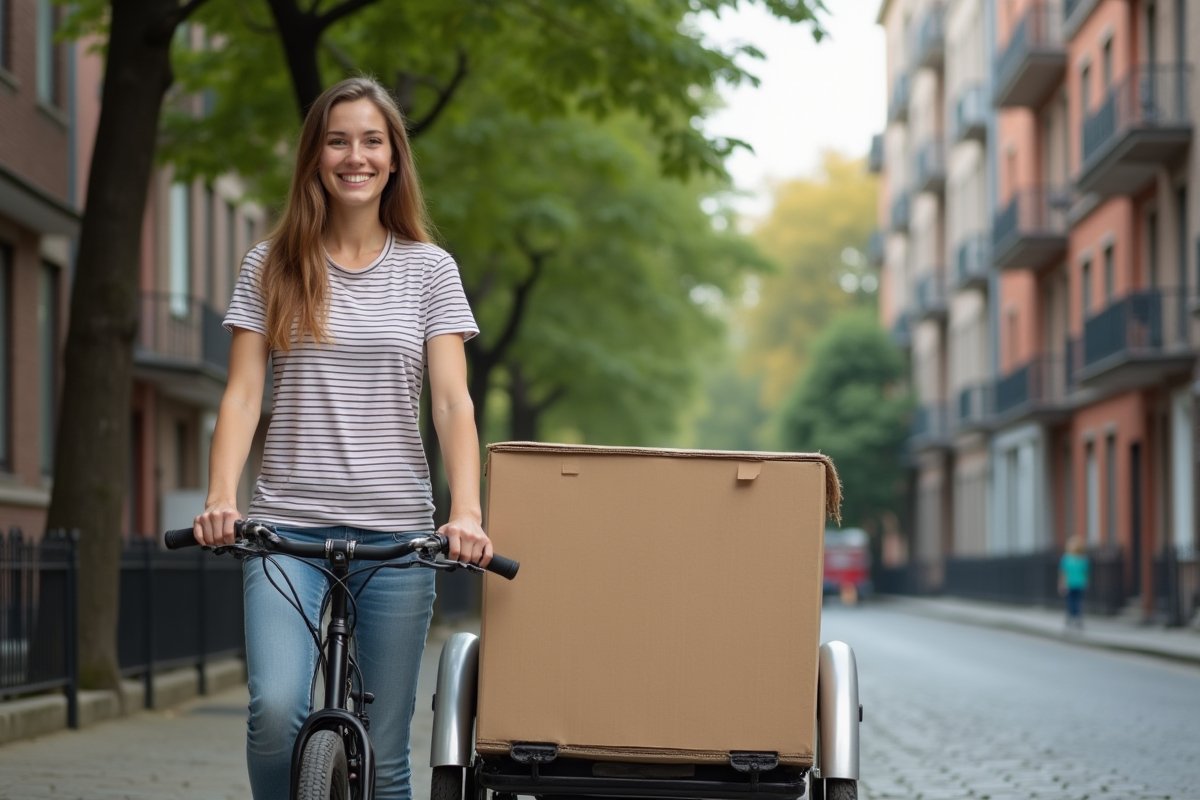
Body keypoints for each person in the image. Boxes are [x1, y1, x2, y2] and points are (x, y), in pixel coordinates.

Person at [191, 76, 491, 800]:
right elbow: (242, 393)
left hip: (397, 534)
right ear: (314, 157)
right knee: (275, 709)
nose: (353, 156)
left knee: (385, 754)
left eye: (370, 141)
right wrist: (222, 496)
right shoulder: (271, 263)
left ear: (393, 159)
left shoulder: (429, 270)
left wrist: (467, 512)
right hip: (285, 528)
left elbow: (452, 402)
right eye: (337, 140)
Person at [1059, 536, 1089, 631]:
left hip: (1070, 584)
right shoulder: (1083, 559)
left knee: (1070, 601)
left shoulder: (1066, 559)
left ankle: (1072, 617)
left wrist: (1061, 584)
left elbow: (1063, 573)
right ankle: (1077, 617)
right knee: (1078, 601)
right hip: (1080, 583)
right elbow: (1086, 572)